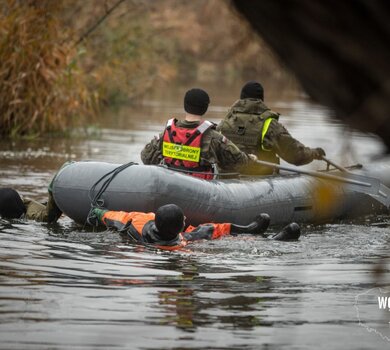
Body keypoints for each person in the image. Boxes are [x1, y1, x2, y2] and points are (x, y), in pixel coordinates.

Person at [141, 88, 258, 179]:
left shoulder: (167, 133)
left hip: (169, 185)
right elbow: (238, 160)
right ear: (205, 108)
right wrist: (250, 158)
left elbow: (146, 157)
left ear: (184, 105)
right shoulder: (214, 137)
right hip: (200, 191)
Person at [217, 81, 326, 175]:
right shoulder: (269, 124)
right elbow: (295, 155)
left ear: (241, 98)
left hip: (227, 180)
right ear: (261, 99)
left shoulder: (226, 121)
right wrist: (314, 153)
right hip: (260, 181)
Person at [87, 204, 301, 251]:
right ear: (179, 227)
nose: (186, 219)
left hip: (159, 239)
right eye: (183, 219)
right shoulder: (181, 249)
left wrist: (97, 213)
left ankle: (248, 229)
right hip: (170, 246)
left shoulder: (137, 220)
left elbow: (111, 216)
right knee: (206, 235)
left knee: (207, 229)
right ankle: (273, 242)